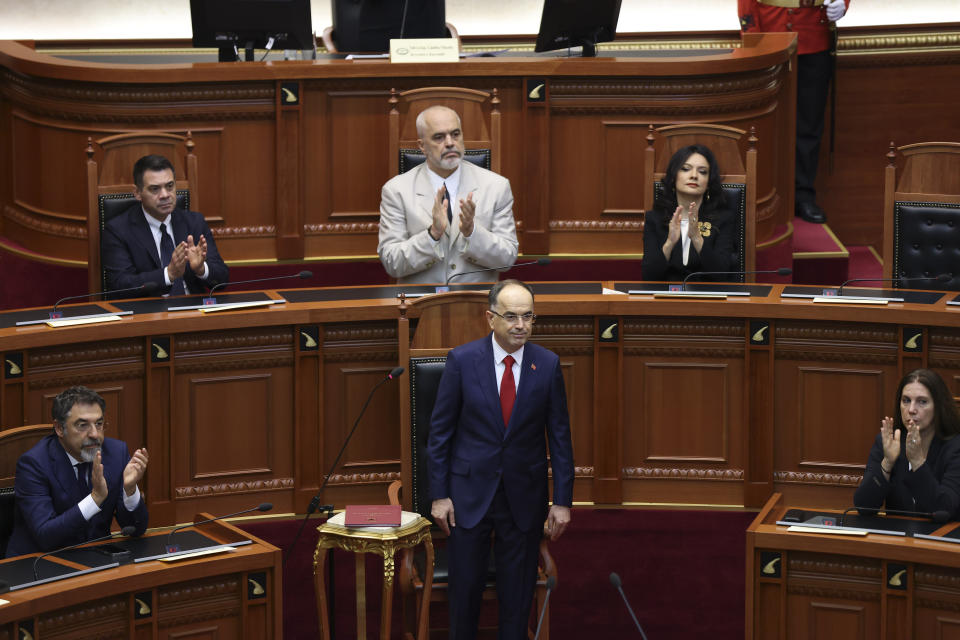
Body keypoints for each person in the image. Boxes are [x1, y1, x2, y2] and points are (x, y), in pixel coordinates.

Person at [427, 279, 574, 640]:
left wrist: (563, 502)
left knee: (517, 597)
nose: (520, 325)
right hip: (467, 496)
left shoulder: (548, 364)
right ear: (489, 317)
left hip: (524, 496)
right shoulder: (462, 360)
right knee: (464, 596)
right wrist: (440, 495)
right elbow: (440, 435)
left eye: (528, 317)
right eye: (511, 316)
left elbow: (560, 438)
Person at [378, 105, 519, 284]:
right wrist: (432, 234)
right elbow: (392, 263)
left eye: (455, 134)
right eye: (439, 137)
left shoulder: (496, 186)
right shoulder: (396, 190)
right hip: (421, 304)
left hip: (477, 304)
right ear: (422, 146)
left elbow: (506, 259)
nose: (450, 142)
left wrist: (472, 232)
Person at [738, 0, 850, 224]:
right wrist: (753, 39)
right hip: (770, 39)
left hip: (813, 38)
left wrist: (842, 3)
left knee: (809, 124)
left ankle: (803, 196)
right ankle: (761, 193)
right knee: (764, 124)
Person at [5, 386, 149, 557]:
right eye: (83, 425)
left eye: (99, 424)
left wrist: (130, 490)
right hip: (39, 565)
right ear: (59, 428)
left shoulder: (115, 454)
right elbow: (46, 536)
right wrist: (95, 499)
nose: (95, 434)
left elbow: (136, 529)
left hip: (96, 560)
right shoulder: (34, 464)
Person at [102, 154, 229, 295]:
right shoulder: (117, 230)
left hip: (195, 310)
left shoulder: (194, 222)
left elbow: (222, 279)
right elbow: (120, 285)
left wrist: (201, 269)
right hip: (149, 314)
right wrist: (168, 274)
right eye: (155, 189)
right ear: (137, 193)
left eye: (169, 186)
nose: (165, 195)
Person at [853, 369, 960, 520]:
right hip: (900, 540)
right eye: (906, 400)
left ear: (938, 406)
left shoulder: (955, 448)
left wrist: (917, 462)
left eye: (922, 402)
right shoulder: (887, 442)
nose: (911, 410)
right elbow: (863, 506)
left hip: (942, 539)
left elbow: (944, 509)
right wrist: (887, 463)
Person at [641, 144, 737, 282]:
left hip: (709, 299)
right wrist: (669, 243)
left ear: (709, 182)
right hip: (665, 298)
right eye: (686, 169)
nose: (694, 176)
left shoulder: (723, 219)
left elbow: (721, 275)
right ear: (674, 177)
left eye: (702, 172)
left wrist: (697, 238)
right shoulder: (655, 219)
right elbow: (648, 276)